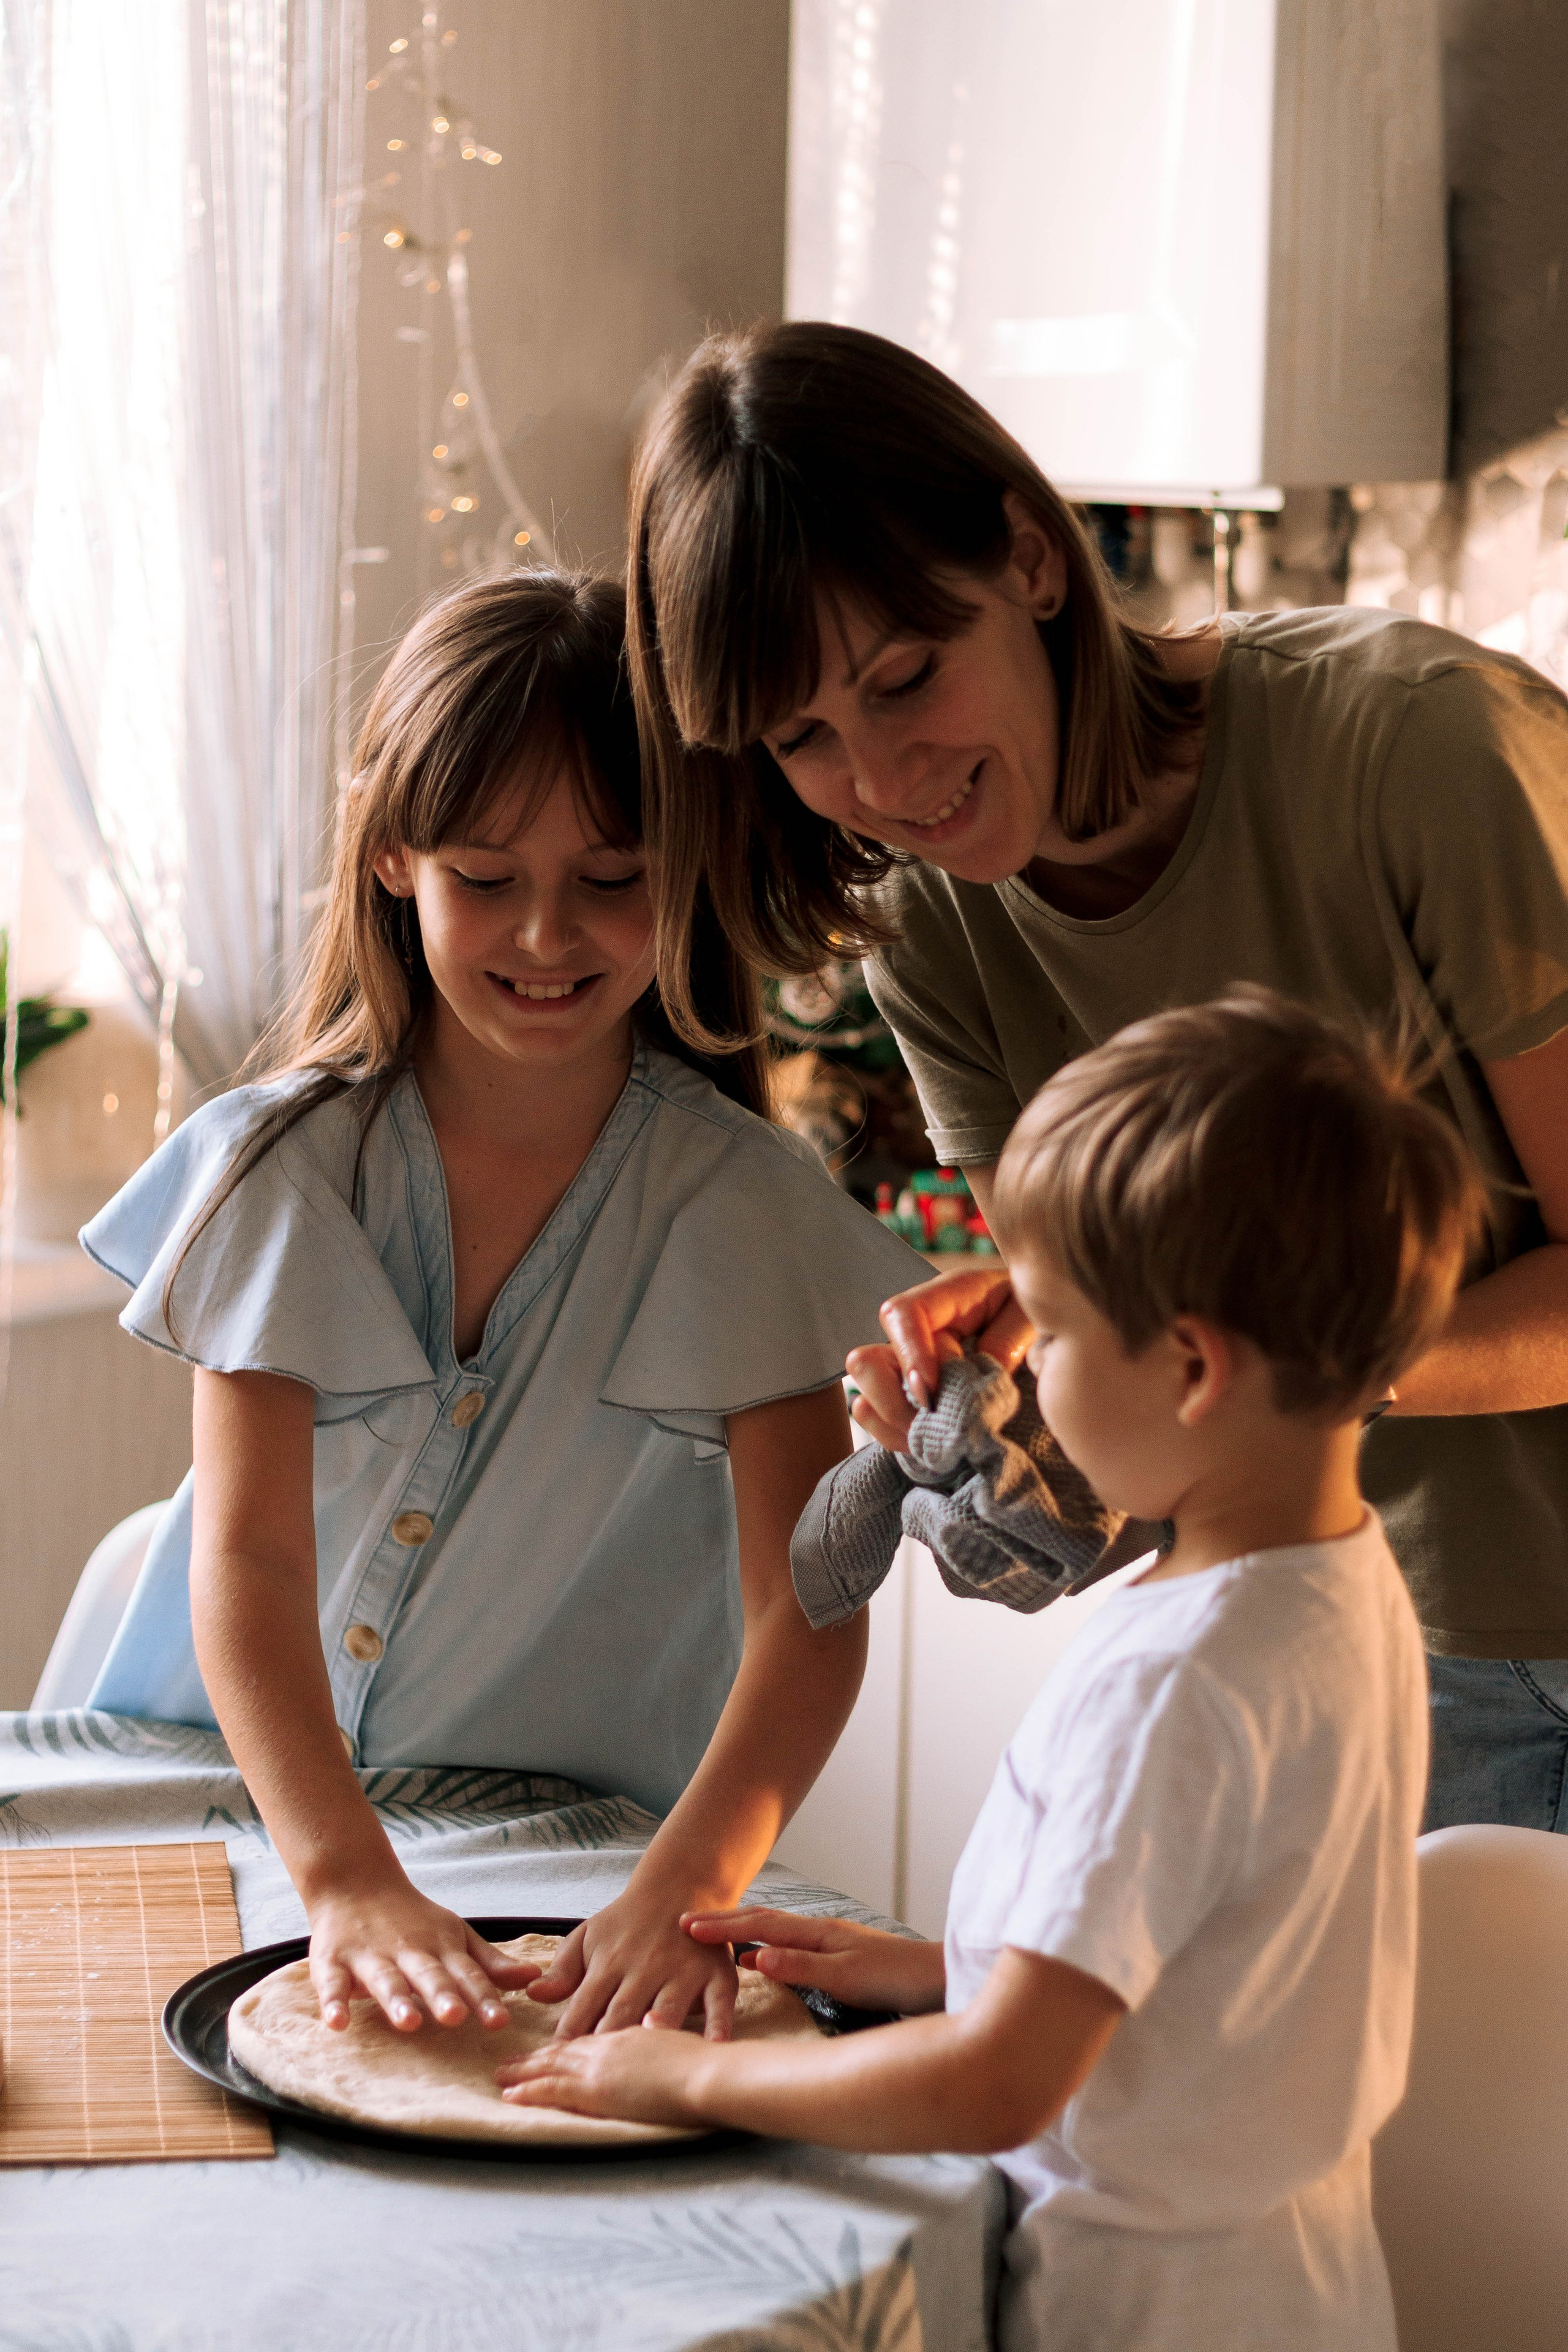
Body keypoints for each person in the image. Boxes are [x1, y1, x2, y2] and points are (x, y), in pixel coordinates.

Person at [625, 318, 1568, 1833]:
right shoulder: (932, 934)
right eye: (799, 735)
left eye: (903, 676)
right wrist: (1030, 1403)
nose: (877, 782)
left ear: (1030, 561)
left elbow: (1224, 1369)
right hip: (1367, 1643)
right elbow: (1154, 1385)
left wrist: (1267, 1371)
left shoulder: (1416, 752)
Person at [501, 989, 1483, 2352]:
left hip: (1142, 2313)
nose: (1028, 1380)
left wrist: (683, 2081)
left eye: (1058, 1334)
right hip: (1296, 2285)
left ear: (1193, 1367)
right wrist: (947, 1966)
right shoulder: (1338, 1581)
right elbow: (1211, 1959)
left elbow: (995, 2093)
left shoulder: (1179, 1684)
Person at [78, 570, 924, 2042]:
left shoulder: (736, 1209)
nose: (547, 935)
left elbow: (802, 1606)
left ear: (692, 867)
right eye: (487, 876)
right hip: (219, 1806)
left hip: (566, 1858)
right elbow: (253, 1561)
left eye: (612, 879)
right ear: (397, 859)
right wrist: (341, 1873)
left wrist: (687, 1883)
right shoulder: (282, 1167)